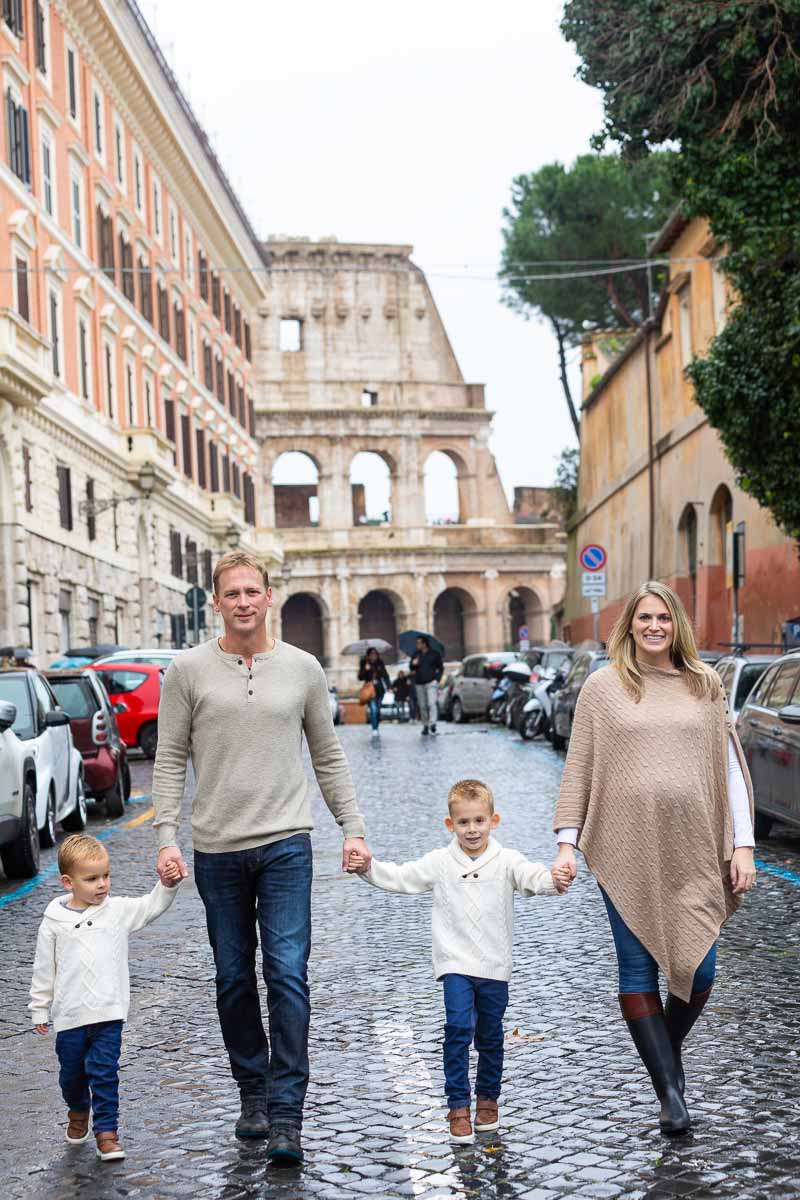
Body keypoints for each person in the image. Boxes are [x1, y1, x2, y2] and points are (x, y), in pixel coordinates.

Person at [152, 550, 371, 1165]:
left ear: (269, 596)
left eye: (253, 591)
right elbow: (169, 759)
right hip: (217, 848)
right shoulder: (187, 670)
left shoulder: (302, 669)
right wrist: (165, 836)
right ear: (216, 602)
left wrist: (351, 827)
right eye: (232, 593)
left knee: (287, 974)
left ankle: (285, 1114)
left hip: (286, 845)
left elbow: (327, 754)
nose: (244, 601)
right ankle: (251, 1091)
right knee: (231, 978)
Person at [552, 581, 756, 1137]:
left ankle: (663, 1054)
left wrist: (744, 844)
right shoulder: (603, 687)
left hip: (696, 848)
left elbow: (730, 770)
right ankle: (670, 1092)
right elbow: (580, 769)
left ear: (677, 625)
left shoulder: (705, 685)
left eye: (663, 617)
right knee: (637, 968)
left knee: (702, 968)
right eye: (644, 617)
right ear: (630, 625)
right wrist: (567, 842)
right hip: (626, 849)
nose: (653, 626)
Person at [349, 779, 571, 1143]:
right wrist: (368, 867)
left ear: (494, 821)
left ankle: (487, 1100)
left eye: (479, 821)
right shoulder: (440, 862)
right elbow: (403, 877)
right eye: (464, 822)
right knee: (456, 1030)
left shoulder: (506, 860)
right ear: (450, 825)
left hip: (495, 965)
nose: (472, 829)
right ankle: (457, 1107)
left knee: (490, 1035)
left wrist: (555, 879)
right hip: (455, 964)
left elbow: (532, 877)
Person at [28, 834, 182, 1162]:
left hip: (108, 1013)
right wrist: (40, 1007)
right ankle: (78, 1110)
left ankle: (107, 1133)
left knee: (104, 1071)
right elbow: (45, 968)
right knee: (71, 1074)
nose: (102, 885)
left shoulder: (117, 911)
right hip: (69, 1016)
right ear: (68, 882)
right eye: (92, 879)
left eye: (106, 876)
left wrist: (166, 885)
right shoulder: (54, 921)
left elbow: (150, 906)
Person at [409, 635, 444, 735]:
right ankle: (425, 725)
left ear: (424, 644)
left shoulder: (434, 654)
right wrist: (413, 664)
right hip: (419, 683)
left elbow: (441, 668)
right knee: (422, 706)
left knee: (431, 703)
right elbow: (411, 668)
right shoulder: (415, 654)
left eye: (419, 643)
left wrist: (437, 679)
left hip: (431, 682)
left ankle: (433, 723)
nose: (417, 645)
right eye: (417, 643)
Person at [358, 647, 391, 736]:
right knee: (373, 709)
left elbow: (385, 675)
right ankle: (374, 729)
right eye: (371, 654)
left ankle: (376, 725)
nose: (373, 656)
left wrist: (389, 687)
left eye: (375, 654)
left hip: (380, 689)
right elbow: (360, 677)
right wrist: (365, 669)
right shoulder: (364, 663)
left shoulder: (380, 663)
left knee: (378, 710)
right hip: (370, 690)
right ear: (368, 655)